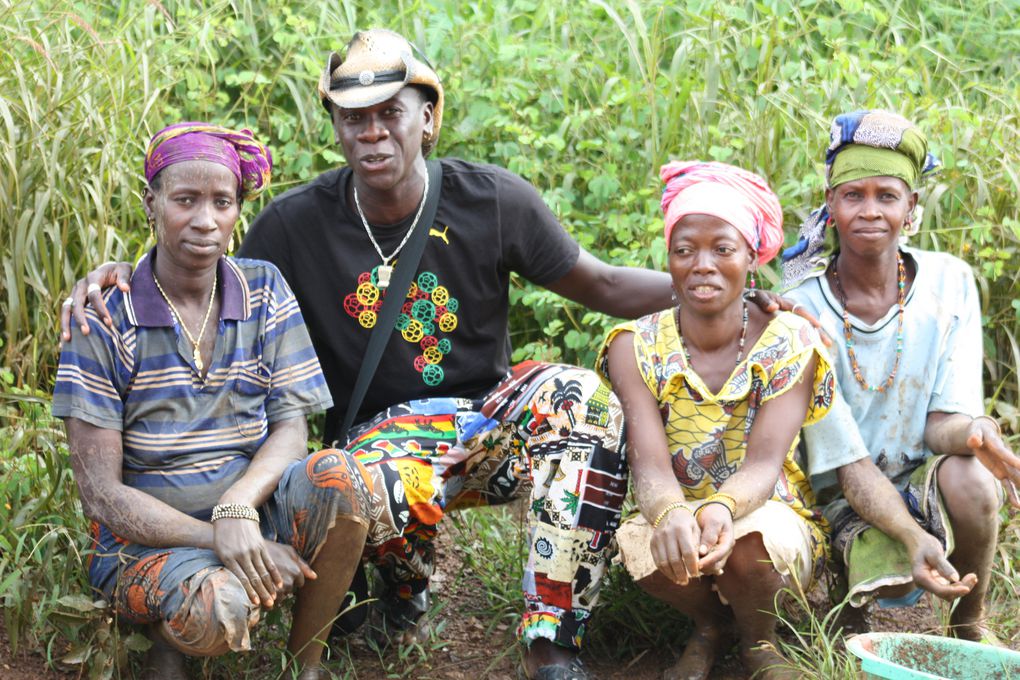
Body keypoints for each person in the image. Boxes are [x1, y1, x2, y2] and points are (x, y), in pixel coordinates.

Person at [59, 30, 809, 679]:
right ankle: (399, 601)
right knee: (347, 475)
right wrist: (116, 275)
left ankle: (551, 639)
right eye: (354, 117)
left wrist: (727, 293)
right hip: (378, 441)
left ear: (429, 116)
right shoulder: (293, 225)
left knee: (581, 398)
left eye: (391, 113)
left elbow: (605, 284)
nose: (374, 132)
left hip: (489, 414)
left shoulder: (492, 200)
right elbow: (202, 263)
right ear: (336, 126)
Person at [53, 123, 376, 680]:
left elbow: (291, 429)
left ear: (237, 211)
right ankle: (166, 637)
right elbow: (102, 497)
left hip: (251, 514)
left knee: (346, 479)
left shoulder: (265, 289)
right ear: (150, 203)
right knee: (219, 610)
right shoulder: (105, 318)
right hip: (142, 545)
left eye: (221, 202)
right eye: (185, 200)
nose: (205, 220)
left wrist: (236, 510)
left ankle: (308, 665)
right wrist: (219, 538)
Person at [782, 109, 1020, 641]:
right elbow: (845, 463)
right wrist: (912, 536)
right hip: (839, 494)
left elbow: (941, 423)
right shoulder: (801, 313)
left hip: (917, 481)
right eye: (853, 195)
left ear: (911, 208)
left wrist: (975, 432)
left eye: (887, 196)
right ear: (831, 204)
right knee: (875, 574)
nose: (870, 211)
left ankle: (969, 622)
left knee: (975, 477)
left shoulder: (949, 282)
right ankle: (848, 605)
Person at [599, 161, 836, 680]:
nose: (702, 264)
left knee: (751, 546)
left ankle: (759, 641)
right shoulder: (634, 347)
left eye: (722, 249)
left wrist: (724, 508)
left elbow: (766, 463)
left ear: (752, 257)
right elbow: (651, 463)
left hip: (766, 508)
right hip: (679, 505)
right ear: (670, 259)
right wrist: (667, 514)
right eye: (684, 250)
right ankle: (710, 626)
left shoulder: (789, 342)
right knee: (642, 545)